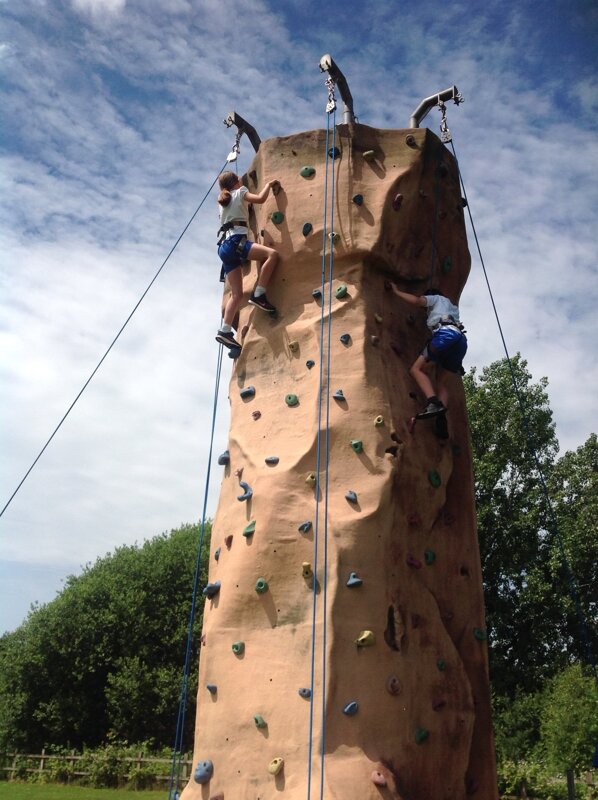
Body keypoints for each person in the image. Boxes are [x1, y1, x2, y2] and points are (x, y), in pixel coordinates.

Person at [215, 171, 280, 349]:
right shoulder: (242, 191)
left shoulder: (222, 203)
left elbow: (239, 211)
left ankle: (225, 331)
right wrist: (269, 184)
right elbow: (259, 198)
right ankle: (259, 294)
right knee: (272, 255)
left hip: (224, 248)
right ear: (237, 181)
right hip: (237, 242)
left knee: (236, 294)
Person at [389, 283, 467, 423]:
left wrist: (396, 291)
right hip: (460, 341)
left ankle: (433, 403)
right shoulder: (452, 308)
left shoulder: (435, 298)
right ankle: (441, 417)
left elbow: (417, 301)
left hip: (445, 335)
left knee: (416, 369)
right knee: (440, 381)